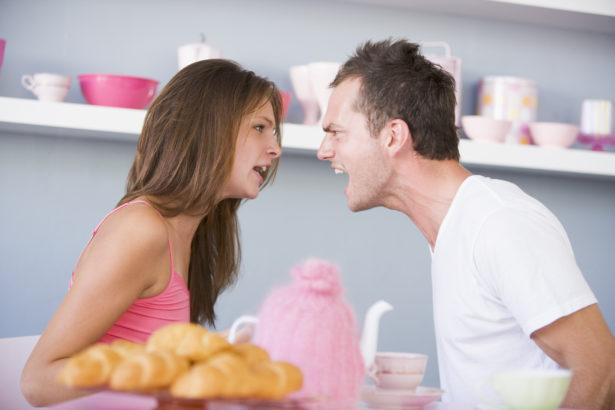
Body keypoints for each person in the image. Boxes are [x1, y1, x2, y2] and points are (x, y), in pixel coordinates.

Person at [317, 38, 615, 408]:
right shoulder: (454, 227)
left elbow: (601, 366)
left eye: (336, 132)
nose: (324, 150)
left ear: (393, 136)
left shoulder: (500, 222)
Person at [20, 59, 283, 407]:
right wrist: (174, 364)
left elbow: (156, 357)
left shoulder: (191, 231)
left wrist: (222, 349)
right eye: (260, 127)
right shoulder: (141, 230)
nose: (275, 149)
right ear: (209, 129)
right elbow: (38, 381)